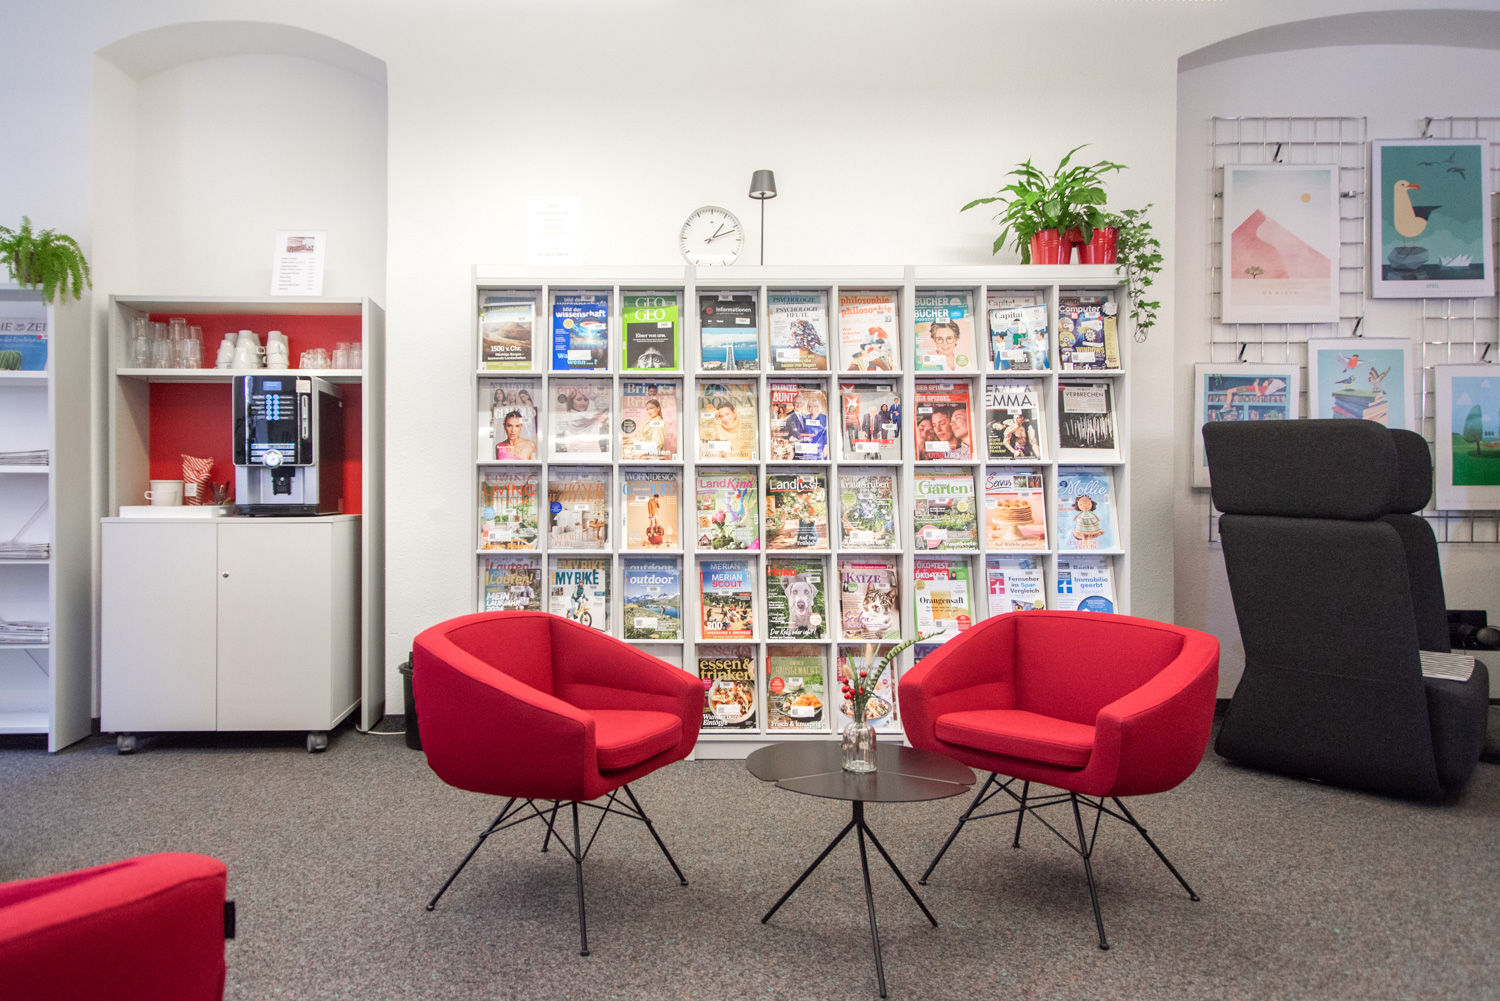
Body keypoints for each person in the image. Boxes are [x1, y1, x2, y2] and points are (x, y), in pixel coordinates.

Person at [555, 386, 609, 453]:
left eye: (586, 399)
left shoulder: (571, 416)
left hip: (577, 456)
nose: (583, 403)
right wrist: (591, 394)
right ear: (571, 402)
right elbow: (605, 406)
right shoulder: (580, 416)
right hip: (590, 457)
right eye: (579, 399)